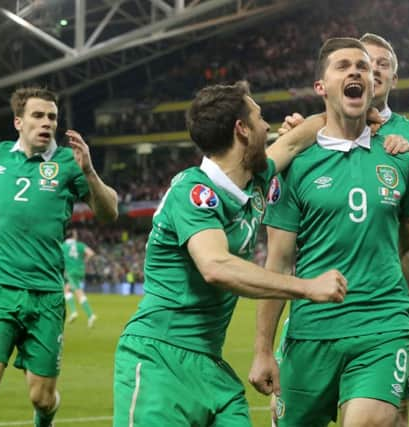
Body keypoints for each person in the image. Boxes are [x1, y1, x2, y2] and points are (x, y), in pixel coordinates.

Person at [112, 82, 351, 427]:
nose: (267, 127)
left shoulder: (254, 179)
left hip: (210, 366)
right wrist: (306, 288)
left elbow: (299, 138)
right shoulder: (194, 192)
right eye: (259, 118)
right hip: (158, 358)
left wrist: (364, 115)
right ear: (241, 129)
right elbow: (215, 266)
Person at [262, 32, 409, 427]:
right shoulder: (298, 157)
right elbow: (278, 262)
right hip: (311, 329)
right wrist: (263, 348)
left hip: (383, 322)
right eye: (346, 66)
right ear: (321, 86)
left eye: (366, 66)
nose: (362, 71)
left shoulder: (405, 150)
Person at [0, 87, 118, 427]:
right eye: (38, 115)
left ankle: (44, 417)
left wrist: (90, 172)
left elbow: (109, 213)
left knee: (42, 397)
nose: (47, 122)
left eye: (52, 116)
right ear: (19, 122)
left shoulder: (69, 163)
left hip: (46, 295)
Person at [62, 229, 98, 328]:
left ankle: (90, 314)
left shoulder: (63, 246)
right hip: (80, 270)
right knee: (66, 289)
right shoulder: (80, 245)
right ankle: (74, 312)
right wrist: (83, 261)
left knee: (78, 292)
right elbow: (91, 253)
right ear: (73, 236)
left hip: (70, 272)